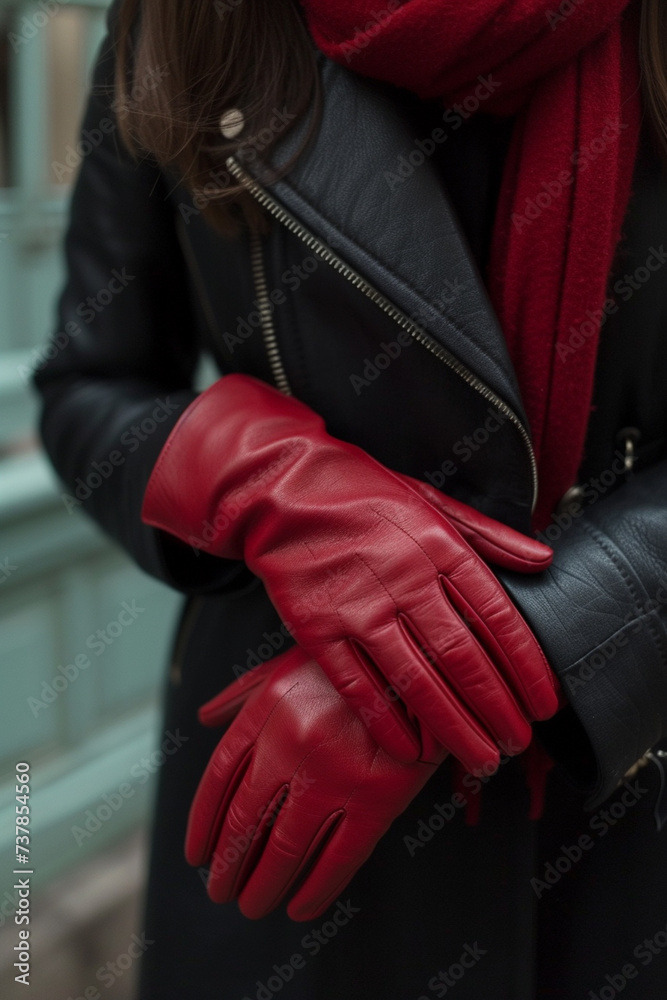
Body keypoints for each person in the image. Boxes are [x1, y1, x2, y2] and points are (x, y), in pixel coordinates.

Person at [32, 0, 667, 996]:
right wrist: (267, 482)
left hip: (616, 784)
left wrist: (464, 661)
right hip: (282, 812)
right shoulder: (179, 20)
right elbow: (88, 390)